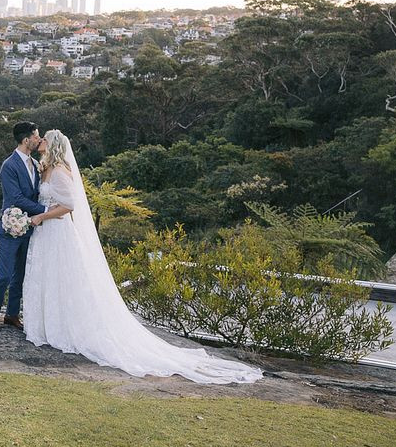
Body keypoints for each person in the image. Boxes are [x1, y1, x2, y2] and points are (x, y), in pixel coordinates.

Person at [22, 129, 263, 384]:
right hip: (46, 235)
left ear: (54, 144)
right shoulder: (45, 168)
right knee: (49, 279)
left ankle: (65, 329)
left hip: (58, 233)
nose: (41, 141)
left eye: (45, 138)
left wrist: (41, 216)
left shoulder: (60, 171)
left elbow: (69, 205)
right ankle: (49, 327)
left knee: (64, 281)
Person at [0, 121, 48, 330]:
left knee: (20, 275)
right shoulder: (9, 165)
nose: (39, 139)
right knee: (4, 274)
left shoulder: (35, 163)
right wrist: (45, 211)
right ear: (26, 139)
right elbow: (16, 198)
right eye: (37, 136)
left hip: (28, 227)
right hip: (10, 227)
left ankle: (12, 315)